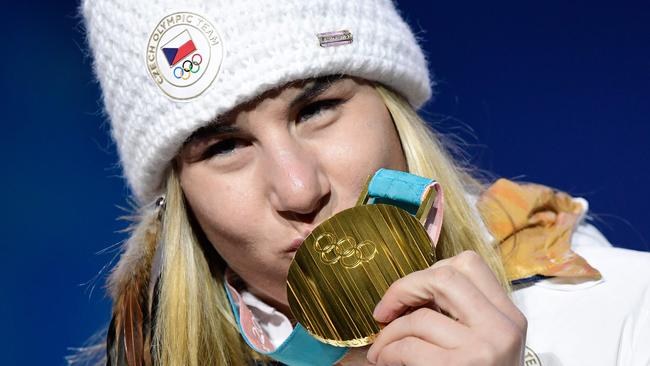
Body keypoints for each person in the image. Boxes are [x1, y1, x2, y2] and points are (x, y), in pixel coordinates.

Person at [78, 0, 650, 365]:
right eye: (225, 147)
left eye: (317, 109)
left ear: (392, 111)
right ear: (179, 203)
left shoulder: (631, 316)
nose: (300, 190)